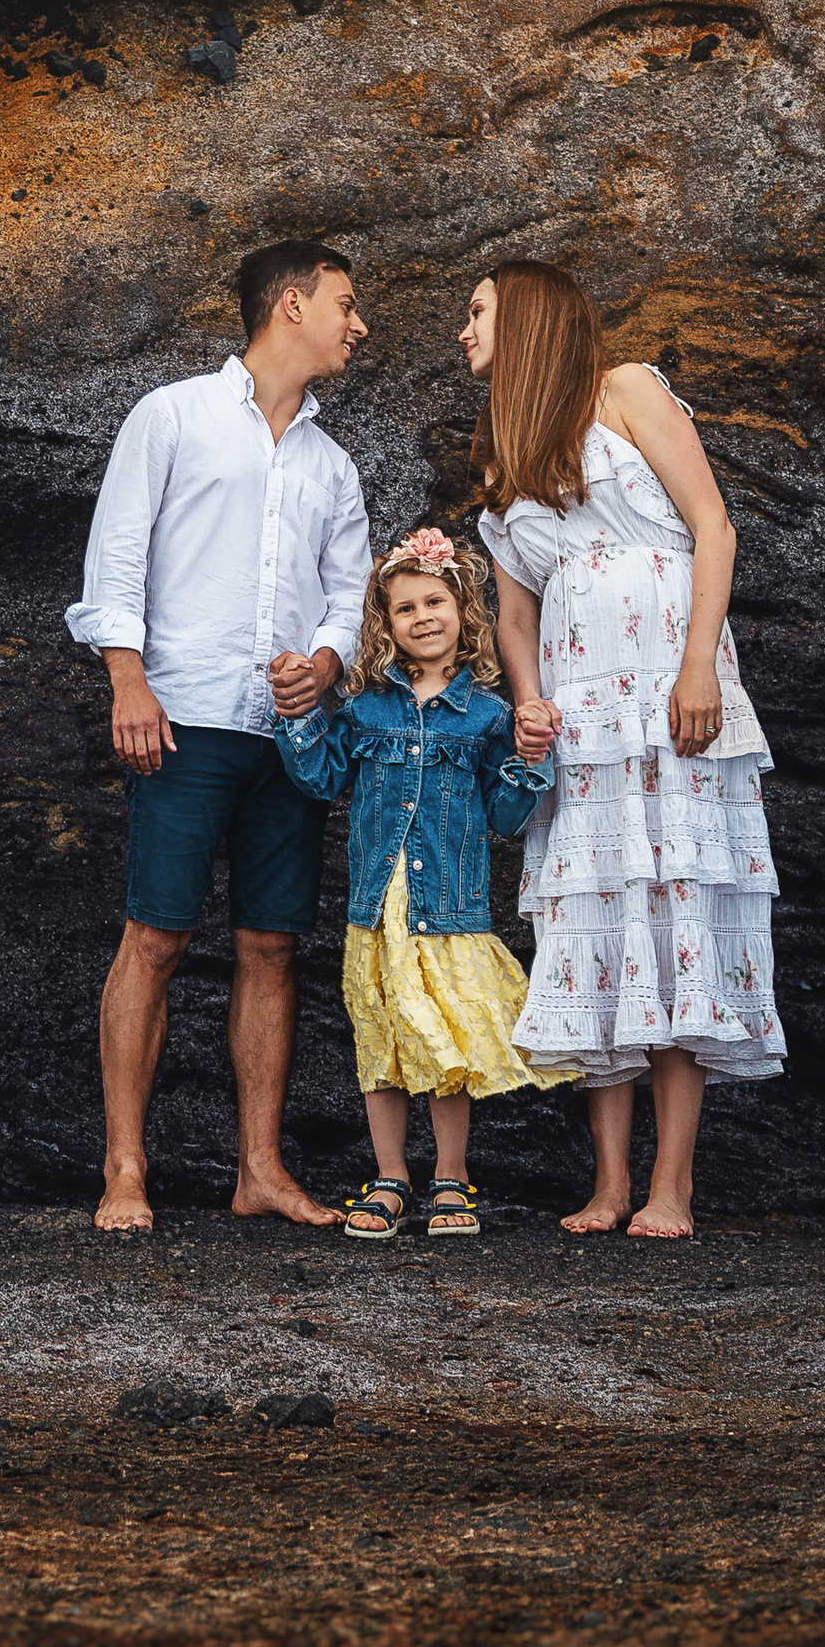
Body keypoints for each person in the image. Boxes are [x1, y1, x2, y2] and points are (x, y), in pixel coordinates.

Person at [464, 261, 784, 1239]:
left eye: (476, 314)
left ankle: (671, 1188)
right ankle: (608, 1184)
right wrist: (527, 704)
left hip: (667, 691)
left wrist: (698, 669)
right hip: (581, 719)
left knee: (673, 915)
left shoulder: (628, 389)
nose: (463, 334)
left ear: (524, 316)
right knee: (597, 931)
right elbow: (513, 613)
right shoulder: (508, 450)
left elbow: (714, 529)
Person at [65, 238, 372, 1233]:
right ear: (290, 305)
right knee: (153, 937)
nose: (356, 325)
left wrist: (323, 666)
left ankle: (259, 1172)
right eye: (344, 303)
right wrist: (127, 682)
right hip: (182, 717)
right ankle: (123, 1170)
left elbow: (347, 600)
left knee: (271, 947)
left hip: (288, 738)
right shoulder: (173, 416)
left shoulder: (333, 464)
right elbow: (115, 559)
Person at [272, 526, 567, 1238]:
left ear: (464, 610)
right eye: (405, 609)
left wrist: (530, 756)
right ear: (389, 627)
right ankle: (390, 1177)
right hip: (377, 909)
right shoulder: (367, 707)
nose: (423, 617)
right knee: (383, 1042)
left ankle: (452, 1178)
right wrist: (297, 714)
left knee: (446, 1046)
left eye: (434, 600)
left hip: (449, 909)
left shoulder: (491, 713)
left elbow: (505, 814)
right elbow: (320, 778)